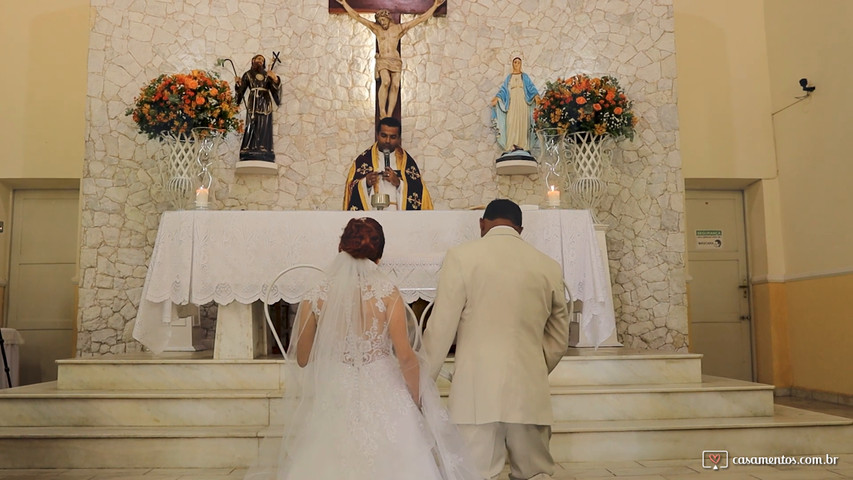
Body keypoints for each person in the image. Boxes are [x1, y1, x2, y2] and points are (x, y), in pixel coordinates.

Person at [244, 217, 478, 480]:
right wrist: (417, 398)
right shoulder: (388, 292)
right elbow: (405, 356)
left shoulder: (316, 293)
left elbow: (302, 357)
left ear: (340, 248)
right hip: (382, 382)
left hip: (336, 385)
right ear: (379, 257)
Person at [422, 199, 571, 480]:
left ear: (482, 224)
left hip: (475, 395)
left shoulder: (461, 257)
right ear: (521, 229)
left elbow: (440, 328)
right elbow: (559, 337)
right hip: (529, 394)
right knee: (535, 474)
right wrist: (536, 369)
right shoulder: (548, 266)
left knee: (474, 474)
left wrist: (423, 380)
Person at [337, 0, 445, 119]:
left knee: (395, 86)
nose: (382, 23)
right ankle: (382, 112)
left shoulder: (399, 28)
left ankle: (389, 115)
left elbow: (420, 19)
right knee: (386, 81)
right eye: (380, 21)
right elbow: (358, 17)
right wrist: (344, 3)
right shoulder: (376, 28)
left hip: (395, 60)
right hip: (383, 59)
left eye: (383, 20)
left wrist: (435, 6)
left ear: (388, 18)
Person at [343, 117, 433, 210]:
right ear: (377, 135)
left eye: (393, 137)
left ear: (398, 138)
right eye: (384, 135)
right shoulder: (363, 161)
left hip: (398, 215)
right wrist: (366, 183)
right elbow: (351, 189)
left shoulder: (407, 163)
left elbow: (418, 192)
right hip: (373, 215)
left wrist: (399, 184)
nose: (387, 141)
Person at [234, 54, 281, 161]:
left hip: (265, 101)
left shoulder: (267, 75)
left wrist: (274, 79)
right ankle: (249, 147)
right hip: (253, 101)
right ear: (253, 60)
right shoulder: (248, 74)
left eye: (263, 60)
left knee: (264, 123)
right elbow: (241, 90)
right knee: (252, 123)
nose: (261, 61)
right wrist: (237, 85)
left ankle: (264, 147)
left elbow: (275, 89)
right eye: (259, 59)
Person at [491, 55, 540, 152]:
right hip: (512, 102)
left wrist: (536, 96)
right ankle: (511, 145)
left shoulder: (524, 76)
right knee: (511, 121)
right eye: (515, 62)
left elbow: (531, 88)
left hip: (522, 102)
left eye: (518, 62)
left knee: (522, 121)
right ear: (512, 64)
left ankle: (523, 145)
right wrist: (497, 98)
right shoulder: (509, 77)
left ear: (521, 64)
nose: (517, 64)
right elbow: (504, 90)